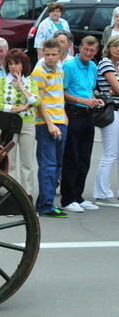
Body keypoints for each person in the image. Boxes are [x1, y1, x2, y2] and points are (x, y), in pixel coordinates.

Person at [60, 35, 105, 213]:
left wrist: (95, 100)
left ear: (96, 51)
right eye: (86, 49)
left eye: (92, 50)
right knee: (72, 157)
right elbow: (61, 92)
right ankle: (68, 198)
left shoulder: (93, 66)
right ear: (80, 48)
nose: (88, 53)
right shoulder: (69, 66)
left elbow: (90, 90)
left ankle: (78, 195)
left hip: (88, 114)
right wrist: (82, 100)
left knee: (85, 158)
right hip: (73, 112)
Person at [31, 38, 70, 218]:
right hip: (46, 124)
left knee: (58, 165)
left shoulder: (60, 70)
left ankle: (45, 203)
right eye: (47, 54)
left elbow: (59, 95)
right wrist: (50, 123)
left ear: (60, 54)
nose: (50, 58)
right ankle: (46, 206)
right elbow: (39, 102)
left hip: (61, 120)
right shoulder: (38, 72)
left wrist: (64, 117)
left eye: (54, 54)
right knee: (48, 165)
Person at [0, 49, 39, 198]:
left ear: (23, 65)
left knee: (27, 164)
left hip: (27, 124)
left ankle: (27, 197)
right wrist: (19, 108)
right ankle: (11, 197)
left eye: (17, 63)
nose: (13, 67)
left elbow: (36, 101)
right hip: (9, 124)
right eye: (11, 63)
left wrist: (21, 86)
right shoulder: (1, 82)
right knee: (10, 163)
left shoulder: (30, 81)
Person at [94, 35, 119, 207]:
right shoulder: (105, 63)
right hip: (112, 112)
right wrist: (115, 88)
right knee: (110, 154)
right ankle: (102, 193)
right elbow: (116, 88)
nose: (118, 49)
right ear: (108, 47)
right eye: (115, 46)